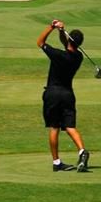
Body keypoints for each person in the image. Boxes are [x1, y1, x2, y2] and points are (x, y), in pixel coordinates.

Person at [36, 19, 90, 172]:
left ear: (69, 40)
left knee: (54, 127)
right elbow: (67, 45)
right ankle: (82, 151)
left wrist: (52, 27)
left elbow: (40, 42)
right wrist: (61, 31)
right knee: (70, 126)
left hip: (53, 93)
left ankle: (57, 162)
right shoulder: (78, 57)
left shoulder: (58, 55)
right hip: (67, 94)